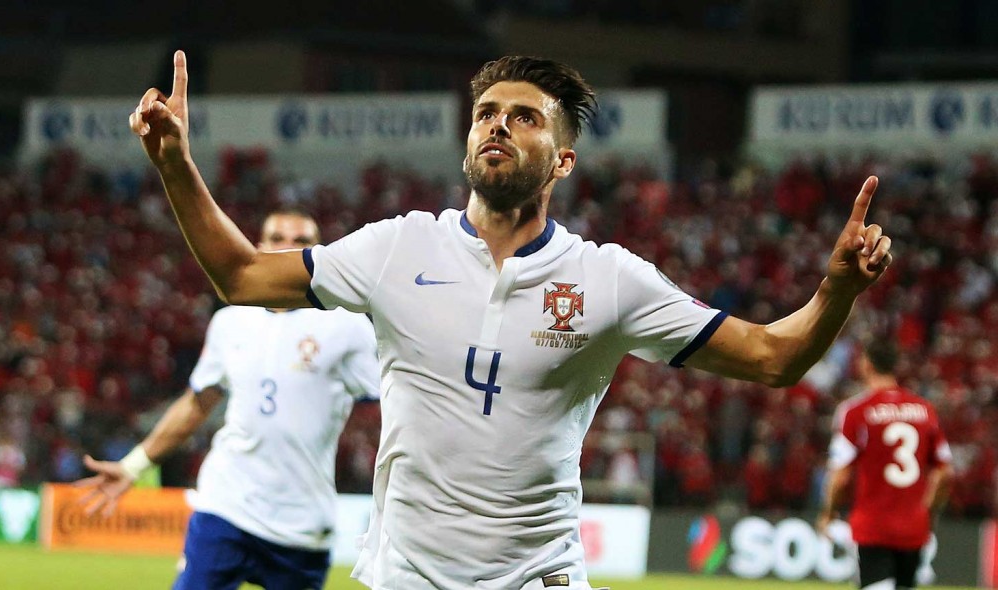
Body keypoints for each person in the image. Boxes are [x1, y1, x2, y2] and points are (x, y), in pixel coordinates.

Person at [128, 50, 894, 590]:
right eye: (487, 113)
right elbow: (241, 276)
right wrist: (176, 166)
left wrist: (834, 293)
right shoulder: (397, 247)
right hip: (409, 574)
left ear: (562, 160)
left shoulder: (609, 280)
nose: (497, 125)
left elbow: (772, 357)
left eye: (524, 118)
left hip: (539, 574)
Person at [74, 210, 381, 590]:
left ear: (317, 252)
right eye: (277, 237)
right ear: (259, 248)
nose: (288, 247)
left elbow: (397, 400)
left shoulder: (346, 325)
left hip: (301, 525)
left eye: (301, 241)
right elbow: (196, 403)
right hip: (225, 507)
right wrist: (134, 465)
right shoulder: (230, 321)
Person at [817, 341, 952, 590]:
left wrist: (828, 514)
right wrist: (928, 513)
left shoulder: (855, 411)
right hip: (914, 527)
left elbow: (840, 476)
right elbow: (943, 473)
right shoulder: (925, 410)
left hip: (873, 526)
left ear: (866, 364)